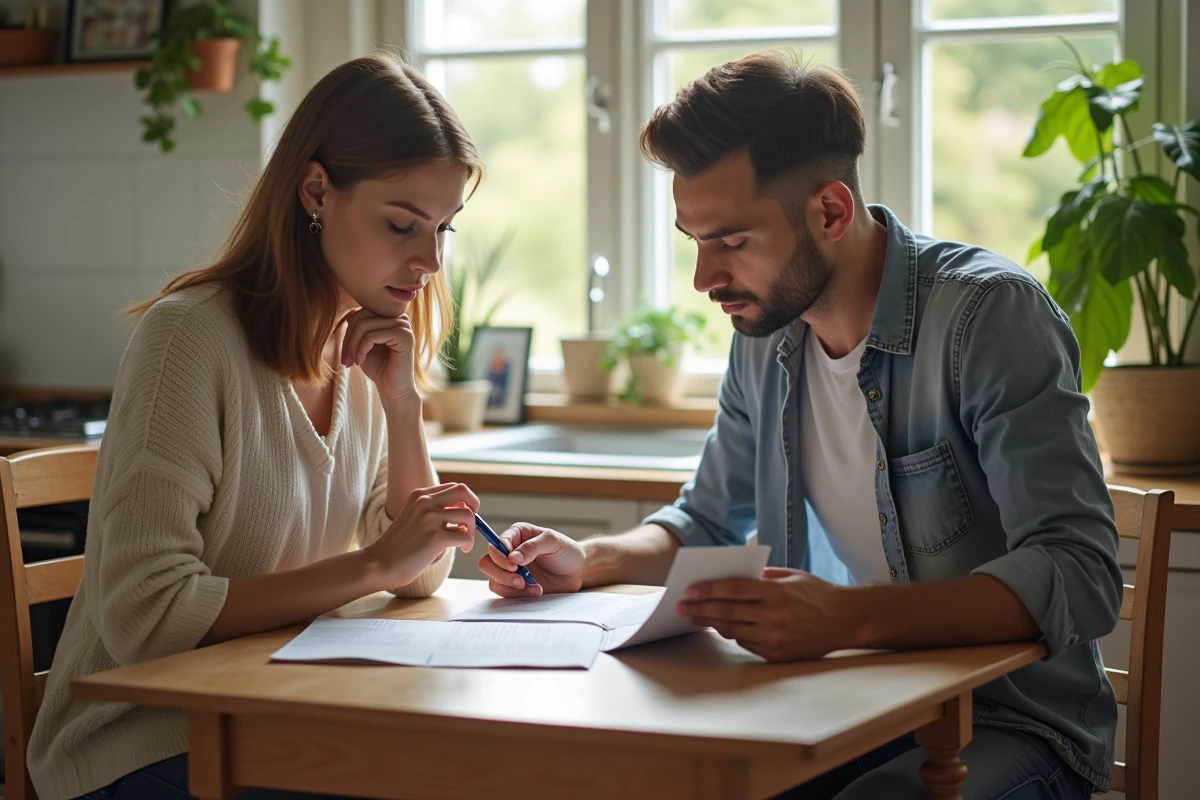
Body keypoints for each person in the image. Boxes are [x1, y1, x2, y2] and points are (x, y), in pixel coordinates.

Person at [478, 51, 1123, 800]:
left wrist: (846, 619)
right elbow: (709, 520)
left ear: (830, 212)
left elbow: (1081, 574)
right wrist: (590, 559)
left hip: (1013, 724)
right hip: (844, 703)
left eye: (731, 241)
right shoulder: (764, 336)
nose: (704, 280)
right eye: (695, 242)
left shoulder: (989, 317)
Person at [29, 54, 484, 800]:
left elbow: (422, 571)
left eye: (443, 230)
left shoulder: (363, 352)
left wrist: (403, 408)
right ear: (315, 191)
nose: (430, 260)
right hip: (138, 739)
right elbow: (146, 611)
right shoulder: (190, 341)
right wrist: (369, 566)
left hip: (269, 717)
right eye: (403, 224)